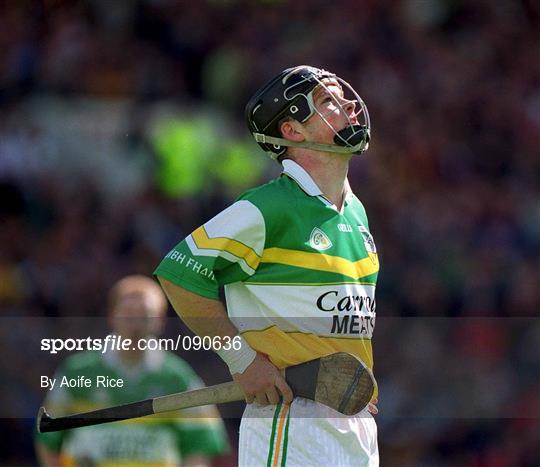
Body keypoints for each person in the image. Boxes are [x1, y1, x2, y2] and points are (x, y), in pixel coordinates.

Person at [155, 65, 379, 466]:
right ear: (293, 131)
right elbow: (178, 275)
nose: (348, 104)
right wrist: (242, 361)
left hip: (354, 425)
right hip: (292, 419)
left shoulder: (354, 212)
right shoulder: (267, 207)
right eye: (328, 101)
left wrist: (354, 386)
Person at [34, 275, 230, 467]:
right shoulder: (76, 372)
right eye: (128, 314)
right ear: (111, 316)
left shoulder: (178, 378)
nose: (135, 325)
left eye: (145, 316)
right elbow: (47, 439)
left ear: (160, 321)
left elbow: (198, 448)